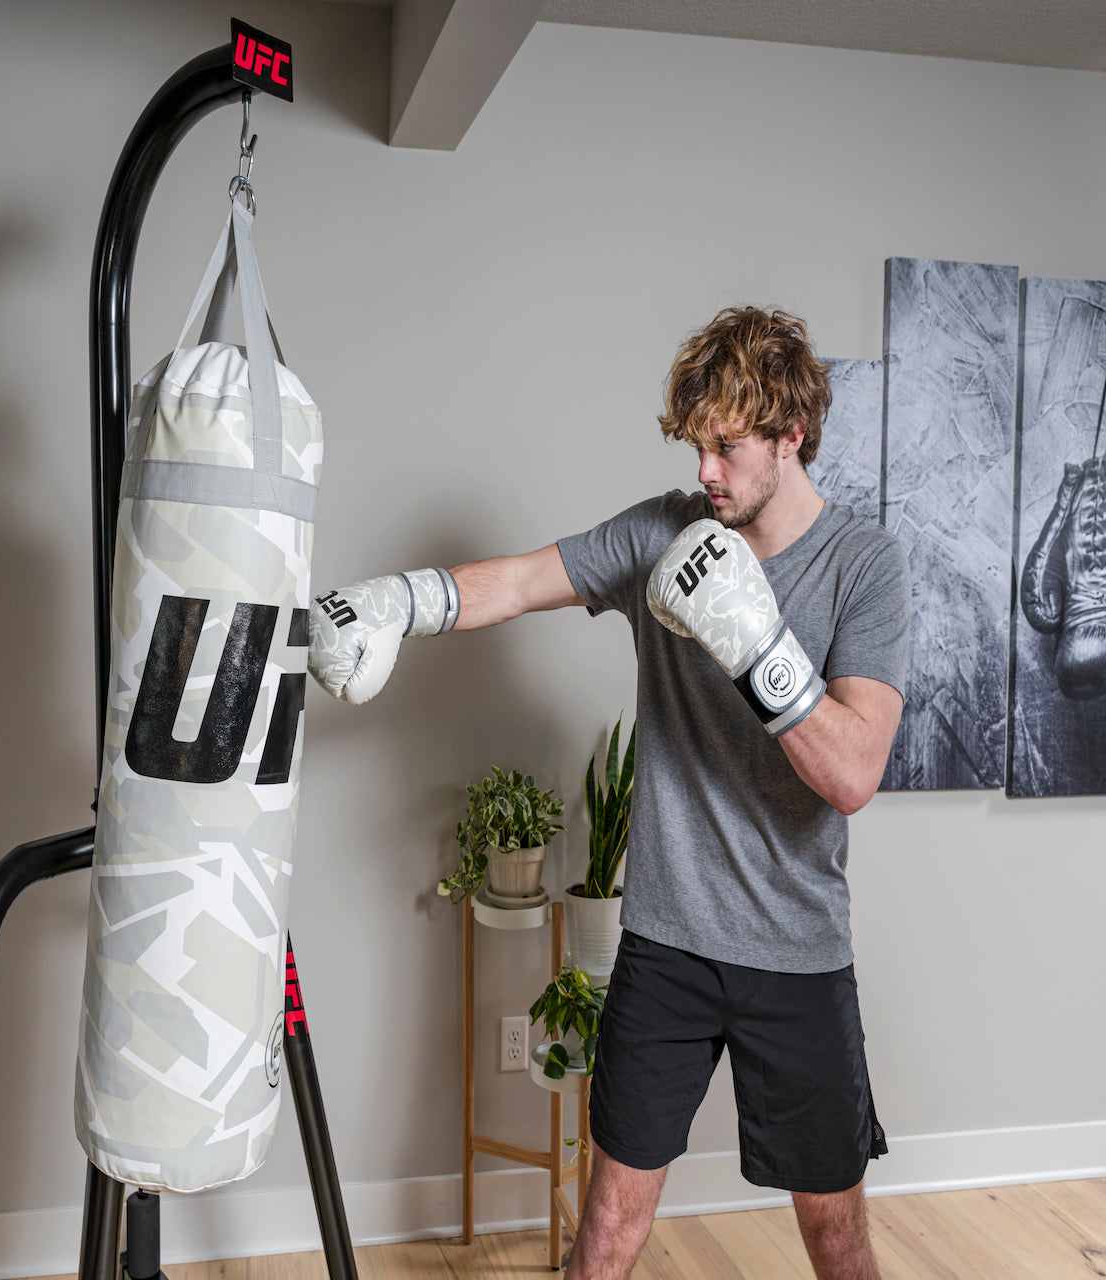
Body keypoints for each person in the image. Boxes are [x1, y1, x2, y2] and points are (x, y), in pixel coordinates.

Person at [308, 306, 911, 1280]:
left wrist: (752, 641)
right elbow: (513, 582)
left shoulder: (862, 565)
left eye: (725, 445)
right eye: (695, 445)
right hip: (666, 945)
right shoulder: (662, 532)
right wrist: (392, 601)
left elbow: (851, 772)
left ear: (789, 434)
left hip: (795, 954)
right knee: (607, 1230)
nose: (705, 471)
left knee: (835, 1238)